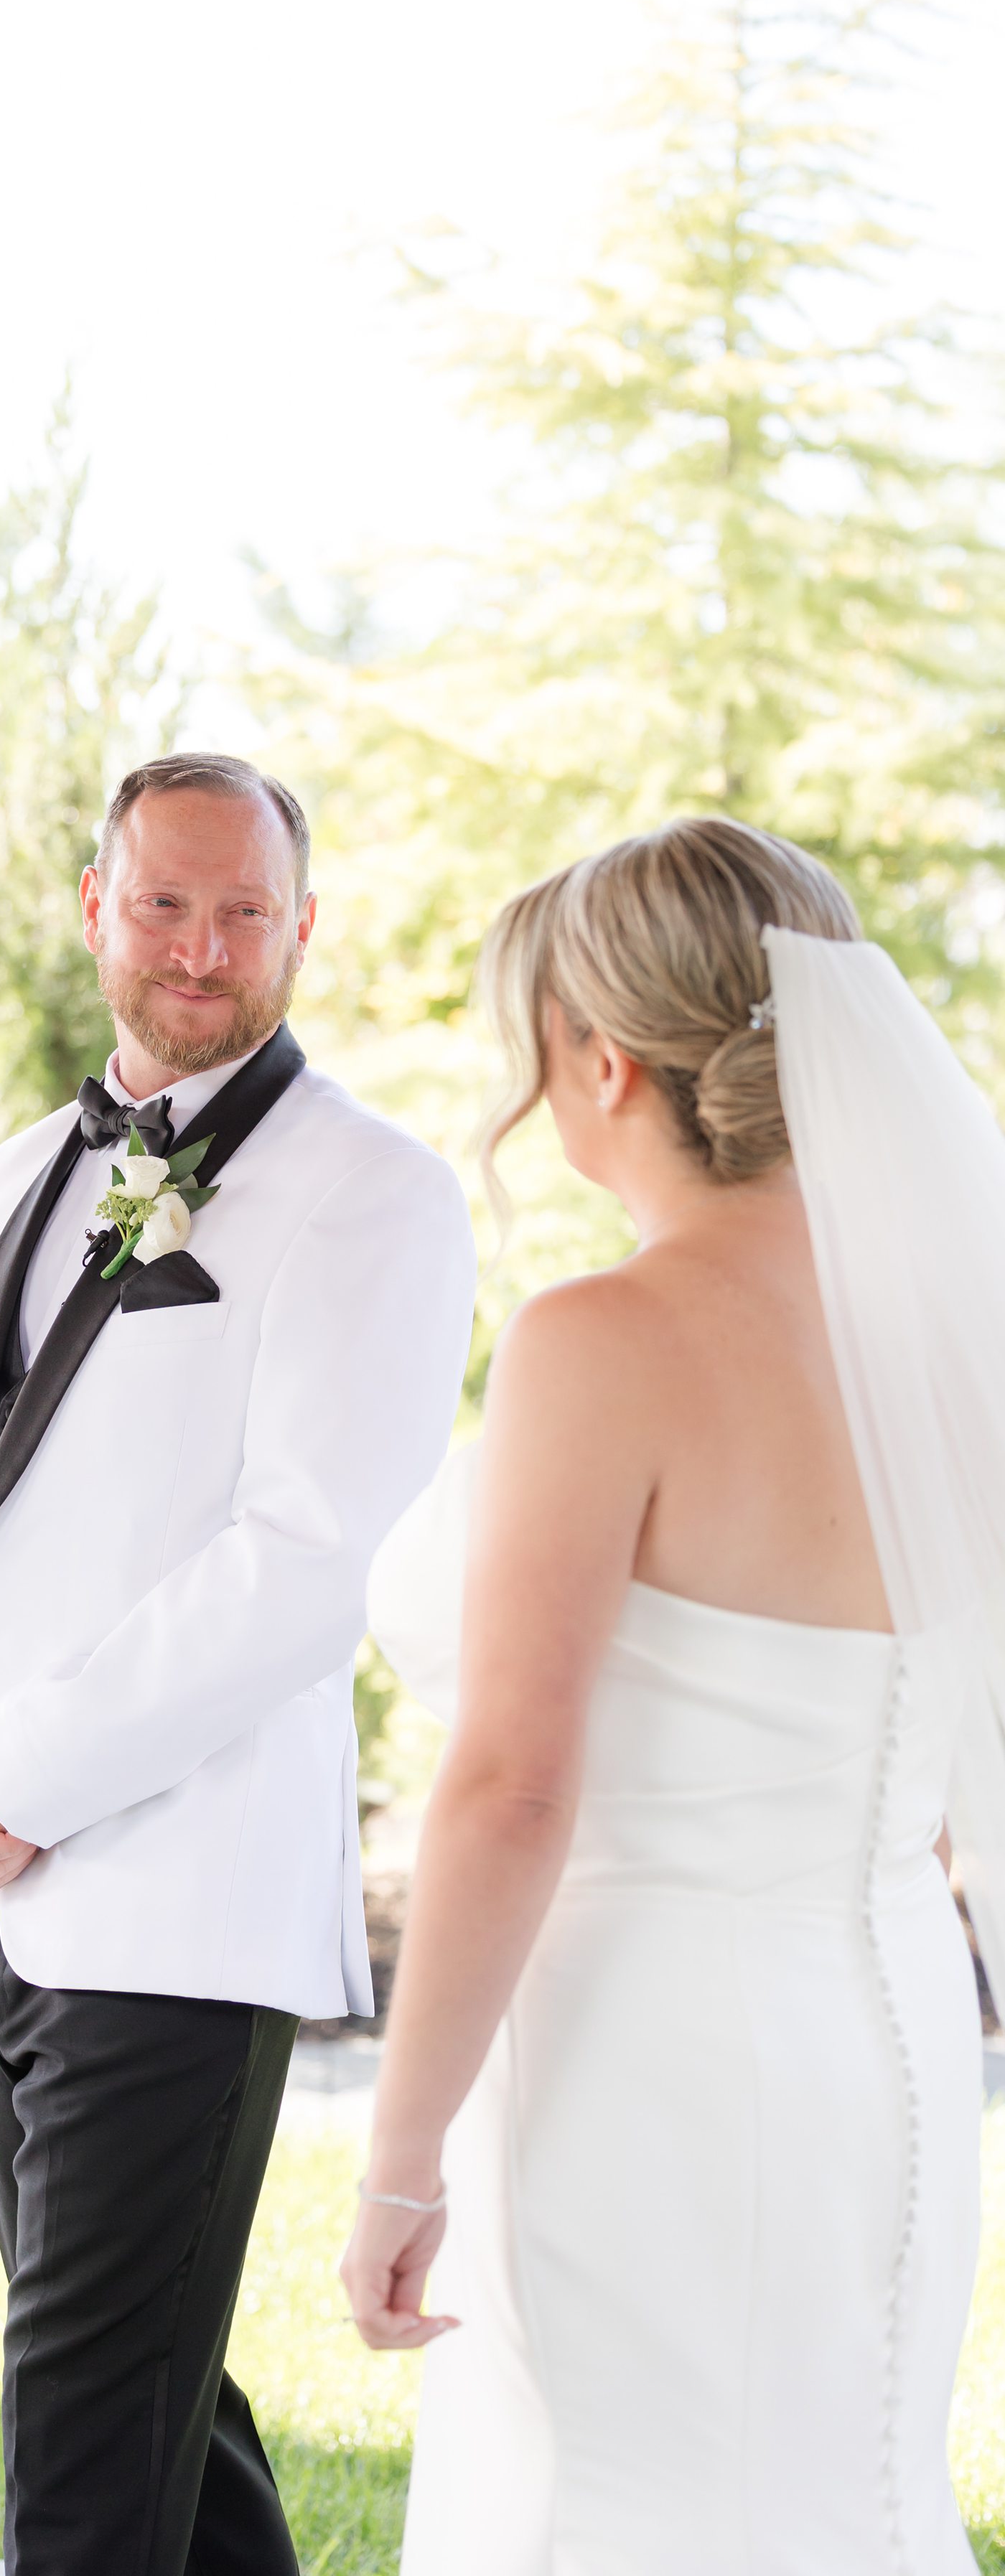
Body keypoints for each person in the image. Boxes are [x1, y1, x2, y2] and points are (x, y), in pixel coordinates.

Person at [0, 751, 475, 2576]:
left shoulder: (375, 1193)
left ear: (303, 927)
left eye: (243, 912)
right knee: (157, 2420)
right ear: (96, 909)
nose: (201, 948)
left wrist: (10, 1776)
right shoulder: (6, 1179)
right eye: (167, 904)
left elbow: (309, 1560)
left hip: (182, 1900)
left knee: (85, 2455)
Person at [347, 818, 1005, 2574]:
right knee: (849, 2492)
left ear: (603, 1060)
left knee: (615, 2506)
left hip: (649, 2043)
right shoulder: (955, 1338)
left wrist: (400, 2156)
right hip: (900, 2028)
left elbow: (512, 1787)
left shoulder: (603, 1342)